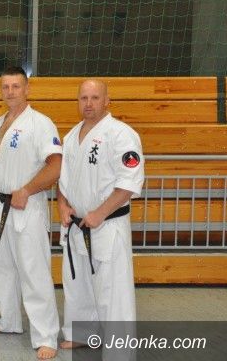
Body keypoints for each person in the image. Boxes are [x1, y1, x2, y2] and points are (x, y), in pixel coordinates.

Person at [0, 66, 61, 360]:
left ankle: (46, 335)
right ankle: (9, 321)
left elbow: (55, 165)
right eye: (5, 87)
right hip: (0, 207)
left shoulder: (41, 124)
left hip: (28, 207)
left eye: (16, 86)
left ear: (27, 89)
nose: (10, 91)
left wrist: (27, 189)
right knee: (0, 268)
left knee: (34, 273)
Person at [58, 79, 144, 352]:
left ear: (107, 101)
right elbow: (63, 180)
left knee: (112, 291)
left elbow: (129, 182)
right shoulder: (71, 136)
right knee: (79, 285)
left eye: (95, 98)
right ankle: (83, 334)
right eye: (84, 98)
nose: (89, 103)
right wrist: (62, 204)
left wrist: (100, 213)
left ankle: (120, 350)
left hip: (107, 224)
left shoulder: (122, 135)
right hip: (78, 224)